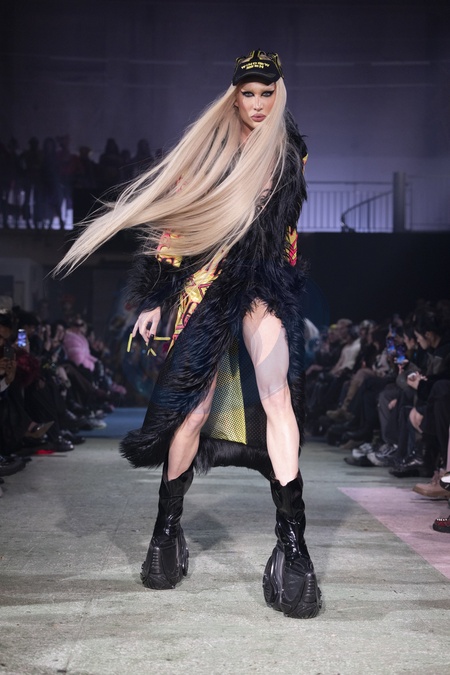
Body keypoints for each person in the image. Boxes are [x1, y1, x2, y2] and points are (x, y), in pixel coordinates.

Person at [55, 50, 322, 619]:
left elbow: (284, 229)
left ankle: (293, 543)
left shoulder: (289, 151)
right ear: (234, 96)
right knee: (192, 412)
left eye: (266, 93)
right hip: (207, 285)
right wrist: (155, 296)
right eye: (248, 93)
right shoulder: (211, 152)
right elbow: (175, 223)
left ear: (279, 94)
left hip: (263, 282)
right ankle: (165, 530)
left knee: (277, 397)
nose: (257, 104)